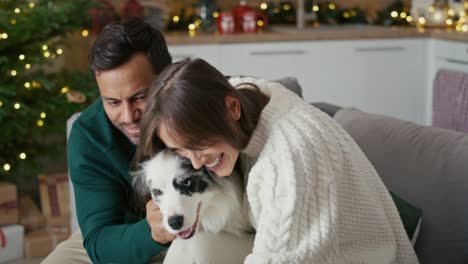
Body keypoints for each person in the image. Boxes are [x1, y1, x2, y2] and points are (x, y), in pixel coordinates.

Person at [136, 58, 420, 263]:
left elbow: (281, 258)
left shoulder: (289, 158)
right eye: (182, 151)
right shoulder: (240, 98)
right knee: (192, 248)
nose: (195, 163)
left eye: (199, 145)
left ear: (232, 108)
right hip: (278, 245)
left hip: (347, 257)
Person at [43, 18, 175, 264]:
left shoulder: (197, 105)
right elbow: (99, 240)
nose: (128, 117)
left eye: (140, 97)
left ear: (167, 78)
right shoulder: (88, 135)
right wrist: (152, 232)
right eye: (113, 102)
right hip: (125, 233)